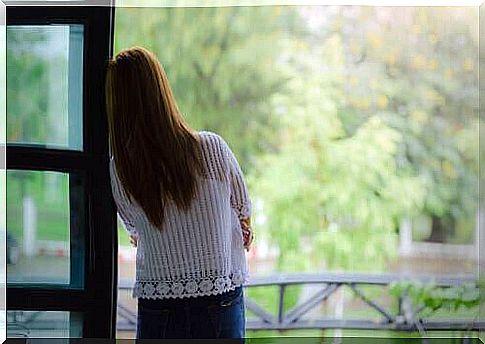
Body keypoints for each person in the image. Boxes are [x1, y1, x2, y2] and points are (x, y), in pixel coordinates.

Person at [105, 46, 253, 339]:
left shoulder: (121, 171)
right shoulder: (212, 149)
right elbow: (243, 214)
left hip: (159, 307)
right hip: (218, 300)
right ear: (161, 91)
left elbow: (136, 232)